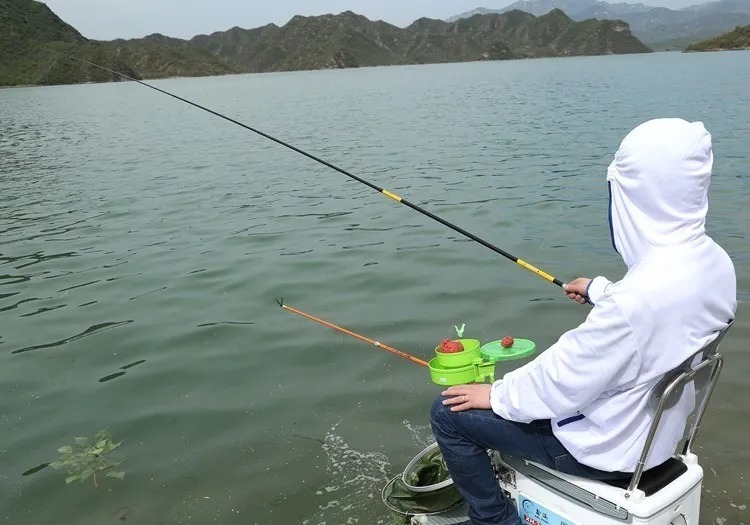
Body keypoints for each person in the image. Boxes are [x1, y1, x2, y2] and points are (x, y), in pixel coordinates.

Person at [430, 118, 737, 525]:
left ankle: (493, 519)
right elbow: (661, 315)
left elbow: (561, 380)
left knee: (447, 415)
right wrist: (599, 290)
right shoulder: (715, 264)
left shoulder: (633, 304)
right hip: (661, 441)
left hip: (605, 453)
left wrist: (496, 394)